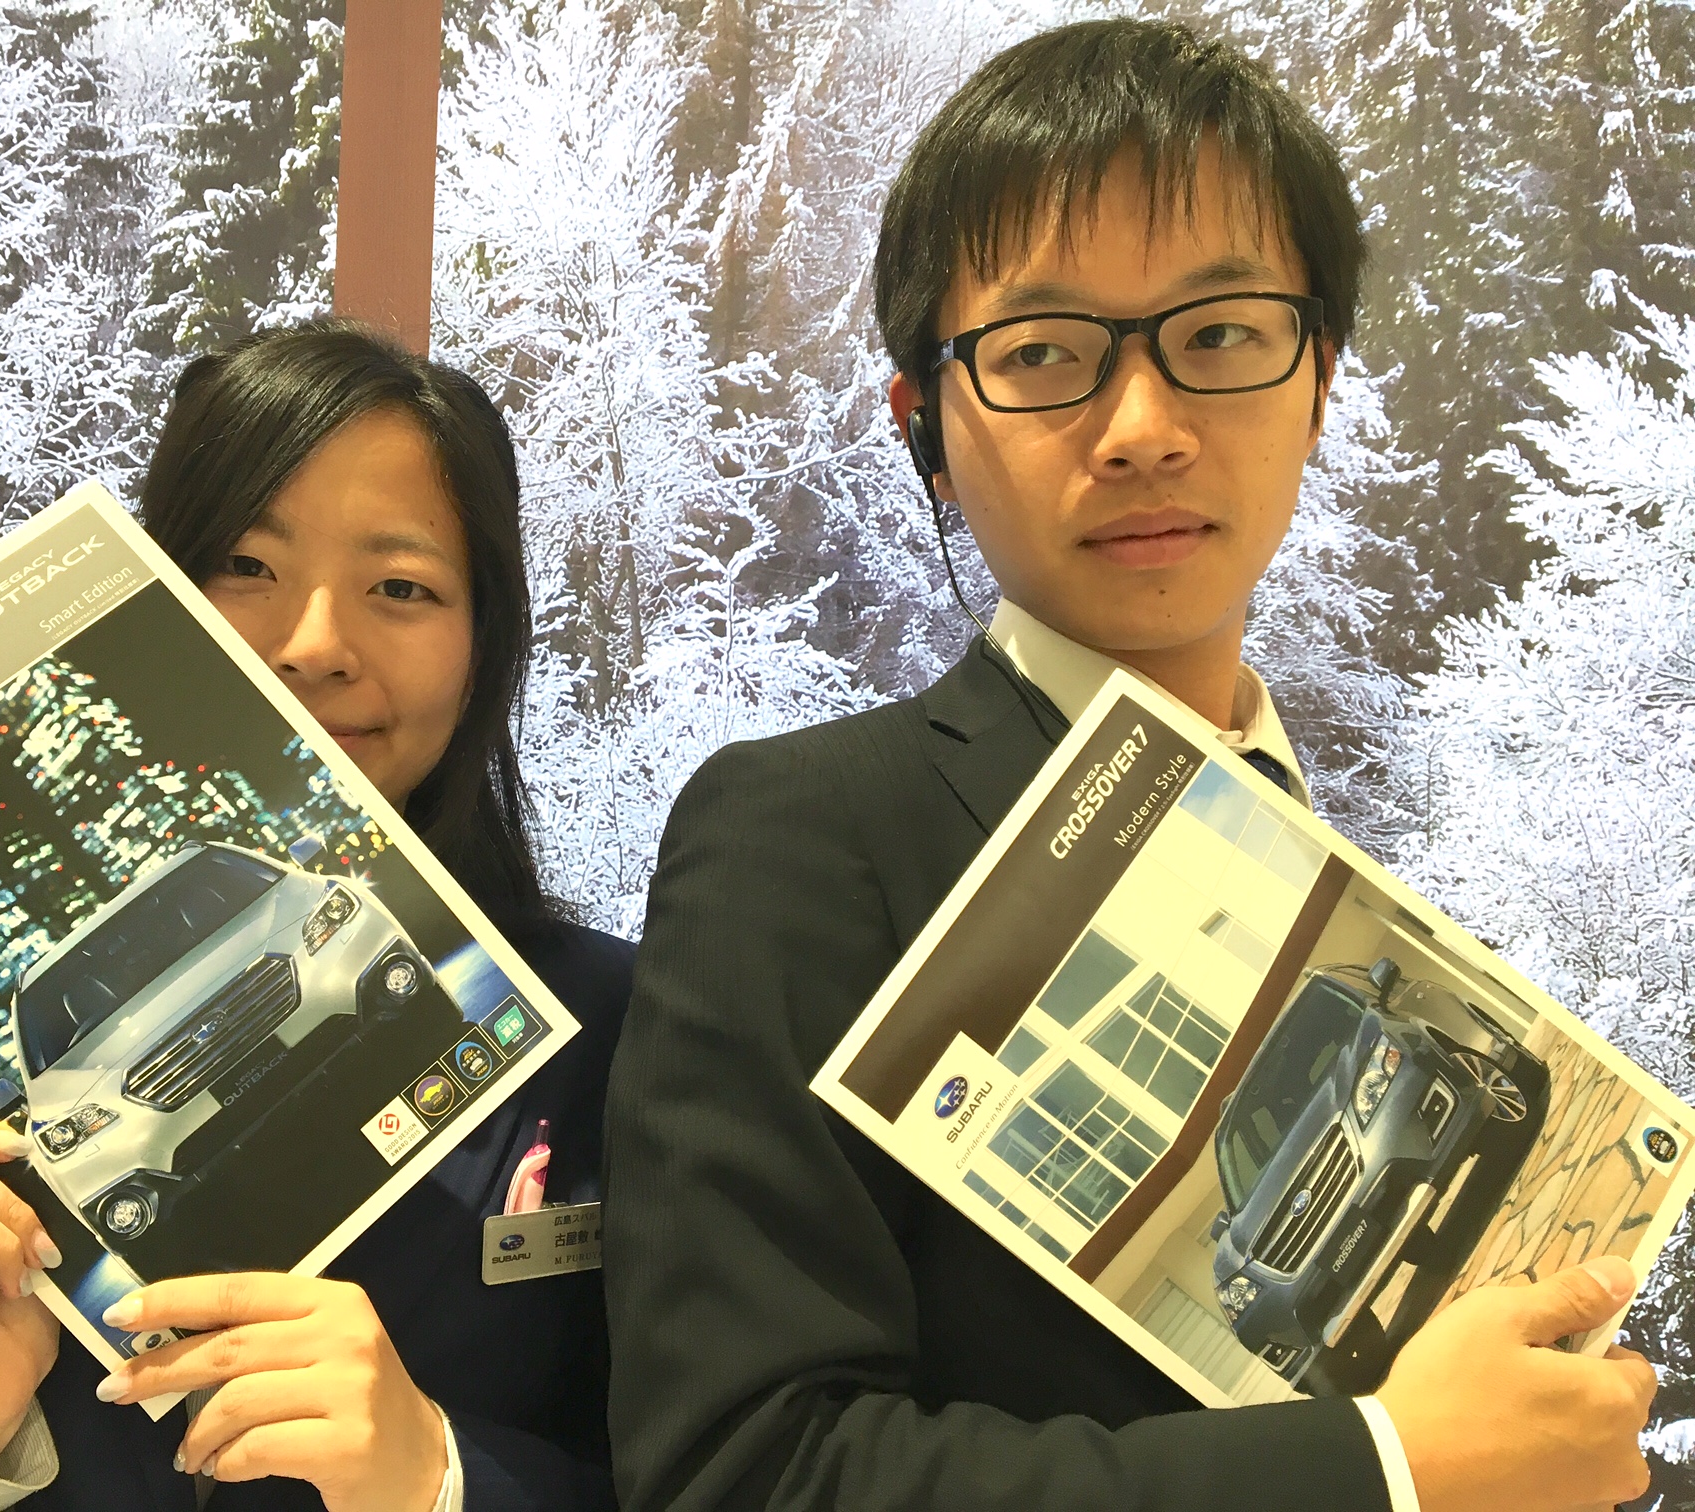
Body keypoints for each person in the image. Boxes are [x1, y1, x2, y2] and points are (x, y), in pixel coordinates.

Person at [603, 21, 1656, 1512]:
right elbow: (744, 1473)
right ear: (923, 423)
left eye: (1219, 335)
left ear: (1320, 379)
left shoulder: (1356, 888)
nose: (1145, 430)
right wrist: (1383, 1470)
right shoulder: (804, 838)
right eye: (1043, 354)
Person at [0, 321, 629, 1511]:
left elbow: (724, 1472)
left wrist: (437, 1477)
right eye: (245, 566)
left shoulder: (622, 1034)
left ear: (486, 640)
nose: (314, 644)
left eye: (402, 587)